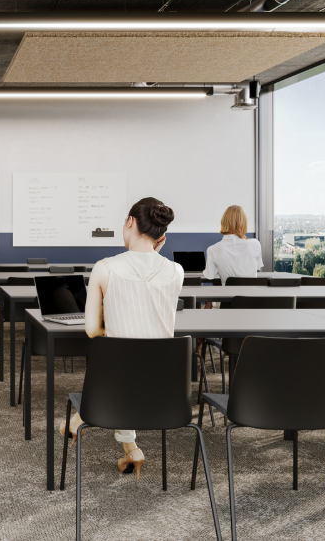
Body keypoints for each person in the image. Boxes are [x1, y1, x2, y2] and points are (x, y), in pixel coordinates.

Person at [62, 197, 183, 477]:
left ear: (130, 222)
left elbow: (92, 331)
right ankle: (131, 450)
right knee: (132, 366)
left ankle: (78, 420)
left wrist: (112, 322)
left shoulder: (104, 267)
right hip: (163, 389)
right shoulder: (176, 272)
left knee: (119, 365)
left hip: (115, 390)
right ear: (159, 234)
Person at [202, 205, 263, 285]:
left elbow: (210, 276)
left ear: (224, 222)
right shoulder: (256, 244)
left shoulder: (213, 249)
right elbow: (257, 267)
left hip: (227, 296)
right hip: (252, 296)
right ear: (244, 223)